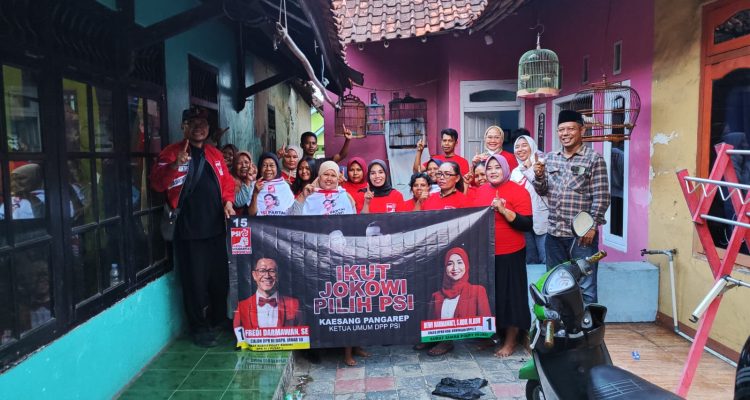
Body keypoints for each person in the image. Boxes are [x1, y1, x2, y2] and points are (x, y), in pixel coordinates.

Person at [150, 107, 236, 347]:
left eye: (203, 123)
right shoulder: (171, 153)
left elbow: (227, 184)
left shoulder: (214, 153)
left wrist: (228, 202)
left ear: (208, 129)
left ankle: (218, 318)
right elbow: (157, 184)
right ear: (183, 126)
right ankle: (198, 327)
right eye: (192, 123)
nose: (199, 127)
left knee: (219, 279)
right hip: (189, 232)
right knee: (195, 282)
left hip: (216, 229)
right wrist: (175, 165)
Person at [286, 161, 367, 366]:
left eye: (333, 175)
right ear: (319, 176)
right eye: (325, 175)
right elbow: (291, 218)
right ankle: (315, 347)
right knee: (316, 301)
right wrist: (302, 197)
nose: (329, 179)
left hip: (340, 259)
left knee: (343, 303)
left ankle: (349, 347)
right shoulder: (309, 195)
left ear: (338, 177)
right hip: (314, 260)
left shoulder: (345, 196)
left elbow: (353, 225)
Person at [533, 110, 610, 304]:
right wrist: (539, 176)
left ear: (581, 130)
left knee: (586, 286)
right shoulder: (551, 158)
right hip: (554, 234)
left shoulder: (594, 159)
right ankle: (560, 322)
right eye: (561, 130)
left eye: (570, 129)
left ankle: (587, 323)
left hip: (582, 236)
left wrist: (592, 226)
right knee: (555, 284)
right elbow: (542, 191)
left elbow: (601, 196)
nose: (565, 133)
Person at [474, 154, 533, 357]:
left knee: (512, 298)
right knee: (491, 297)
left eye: (497, 167)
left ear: (506, 169)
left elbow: (526, 224)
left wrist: (503, 210)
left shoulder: (519, 191)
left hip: (511, 253)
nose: (492, 171)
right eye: (489, 168)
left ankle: (511, 340)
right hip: (486, 254)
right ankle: (493, 336)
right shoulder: (481, 191)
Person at [419, 247, 492, 356]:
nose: (455, 268)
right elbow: (431, 323)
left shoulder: (477, 291)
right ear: (445, 267)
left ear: (466, 265)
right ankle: (434, 340)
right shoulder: (436, 295)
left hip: (465, 337)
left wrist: (486, 340)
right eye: (450, 264)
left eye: (459, 262)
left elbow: (486, 323)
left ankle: (447, 342)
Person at [511, 135, 549, 264]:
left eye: (524, 145)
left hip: (542, 219)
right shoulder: (515, 172)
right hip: (523, 220)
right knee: (530, 260)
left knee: (546, 259)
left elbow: (543, 189)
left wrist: (528, 169)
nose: (520, 149)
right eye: (517, 147)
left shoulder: (542, 165)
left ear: (532, 147)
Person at [234, 257, 301, 330]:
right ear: (254, 275)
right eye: (262, 271)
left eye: (272, 271)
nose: (267, 276)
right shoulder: (242, 307)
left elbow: (302, 333)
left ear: (278, 275)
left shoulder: (294, 304)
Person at [232, 150, 255, 215]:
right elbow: (238, 203)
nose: (244, 165)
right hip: (236, 219)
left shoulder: (254, 178)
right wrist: (248, 181)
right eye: (239, 163)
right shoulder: (230, 180)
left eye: (246, 162)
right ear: (234, 165)